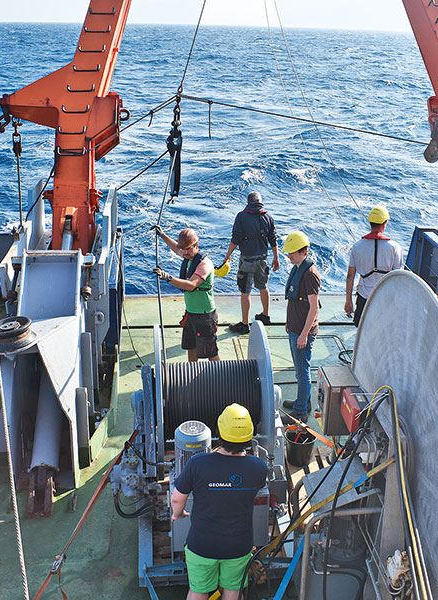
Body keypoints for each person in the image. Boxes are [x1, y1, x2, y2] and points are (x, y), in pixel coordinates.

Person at [171, 403, 268, 600]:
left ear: (219, 432)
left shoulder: (197, 463)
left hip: (201, 546)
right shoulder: (258, 467)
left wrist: (178, 513)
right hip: (238, 546)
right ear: (250, 436)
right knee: (233, 590)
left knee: (198, 590)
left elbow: (177, 497)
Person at [152, 226, 220, 362]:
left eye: (188, 248)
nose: (185, 252)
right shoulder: (188, 256)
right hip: (191, 313)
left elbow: (191, 285)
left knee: (210, 352)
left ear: (196, 245)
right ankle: (192, 375)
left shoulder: (204, 265)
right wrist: (162, 235)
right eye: (183, 249)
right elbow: (176, 248)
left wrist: (167, 277)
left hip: (204, 315)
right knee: (191, 346)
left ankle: (222, 378)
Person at [221, 191, 280, 335]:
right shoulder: (268, 217)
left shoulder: (241, 216)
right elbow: (273, 239)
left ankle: (245, 324)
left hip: (247, 260)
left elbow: (236, 238)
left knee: (245, 291)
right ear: (260, 202)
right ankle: (265, 316)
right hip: (263, 259)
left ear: (248, 203)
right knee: (263, 287)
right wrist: (276, 257)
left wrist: (227, 256)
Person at [281, 231, 319, 421]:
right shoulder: (297, 267)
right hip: (295, 327)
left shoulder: (310, 275)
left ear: (303, 251)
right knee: (299, 368)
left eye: (292, 252)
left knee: (302, 371)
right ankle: (304, 401)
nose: (289, 256)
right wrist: (289, 322)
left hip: (302, 332)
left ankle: (300, 411)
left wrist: (304, 334)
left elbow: (313, 308)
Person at [344, 205, 403, 326]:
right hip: (385, 297)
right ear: (384, 223)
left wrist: (348, 300)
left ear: (370, 223)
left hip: (364, 297)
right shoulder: (394, 247)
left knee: (362, 329)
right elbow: (398, 277)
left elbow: (350, 276)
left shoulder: (357, 246)